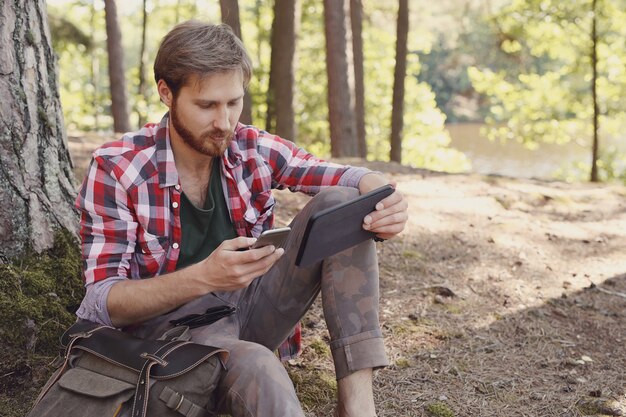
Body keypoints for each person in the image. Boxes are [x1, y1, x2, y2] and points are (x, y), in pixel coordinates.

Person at [74, 20, 408, 417]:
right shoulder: (117, 168)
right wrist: (204, 276)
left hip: (250, 309)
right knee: (259, 366)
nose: (224, 122)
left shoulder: (248, 146)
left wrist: (381, 194)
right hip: (171, 342)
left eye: (233, 102)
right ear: (166, 92)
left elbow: (330, 172)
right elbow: (101, 303)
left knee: (342, 202)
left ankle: (357, 407)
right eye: (206, 105)